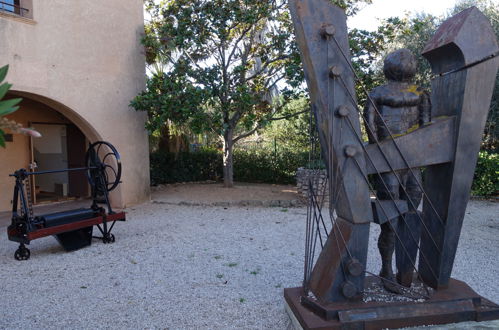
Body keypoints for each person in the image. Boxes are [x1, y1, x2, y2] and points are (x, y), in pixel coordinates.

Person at [363, 48, 431, 293]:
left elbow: (426, 127)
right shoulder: (378, 93)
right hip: (388, 163)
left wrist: (418, 153)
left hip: (411, 163)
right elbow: (370, 125)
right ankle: (386, 269)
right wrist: (381, 154)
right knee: (389, 218)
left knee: (412, 212)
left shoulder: (421, 93)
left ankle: (406, 269)